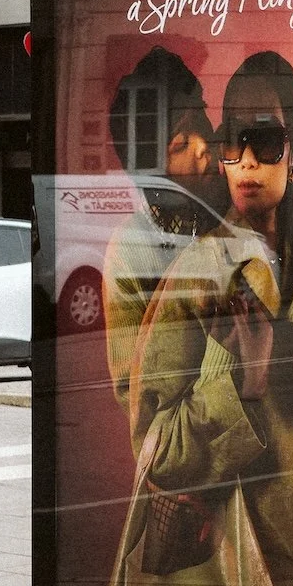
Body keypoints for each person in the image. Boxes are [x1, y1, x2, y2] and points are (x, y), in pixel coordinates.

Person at [104, 51, 293, 586]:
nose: (213, 153)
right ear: (148, 167)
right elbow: (151, 432)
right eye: (183, 144)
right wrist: (242, 382)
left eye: (207, 132)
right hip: (223, 549)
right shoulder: (149, 256)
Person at [100, 49, 223, 409]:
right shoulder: (129, 250)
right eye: (181, 144)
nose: (202, 146)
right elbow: (134, 393)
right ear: (151, 167)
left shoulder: (234, 208)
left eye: (200, 119)